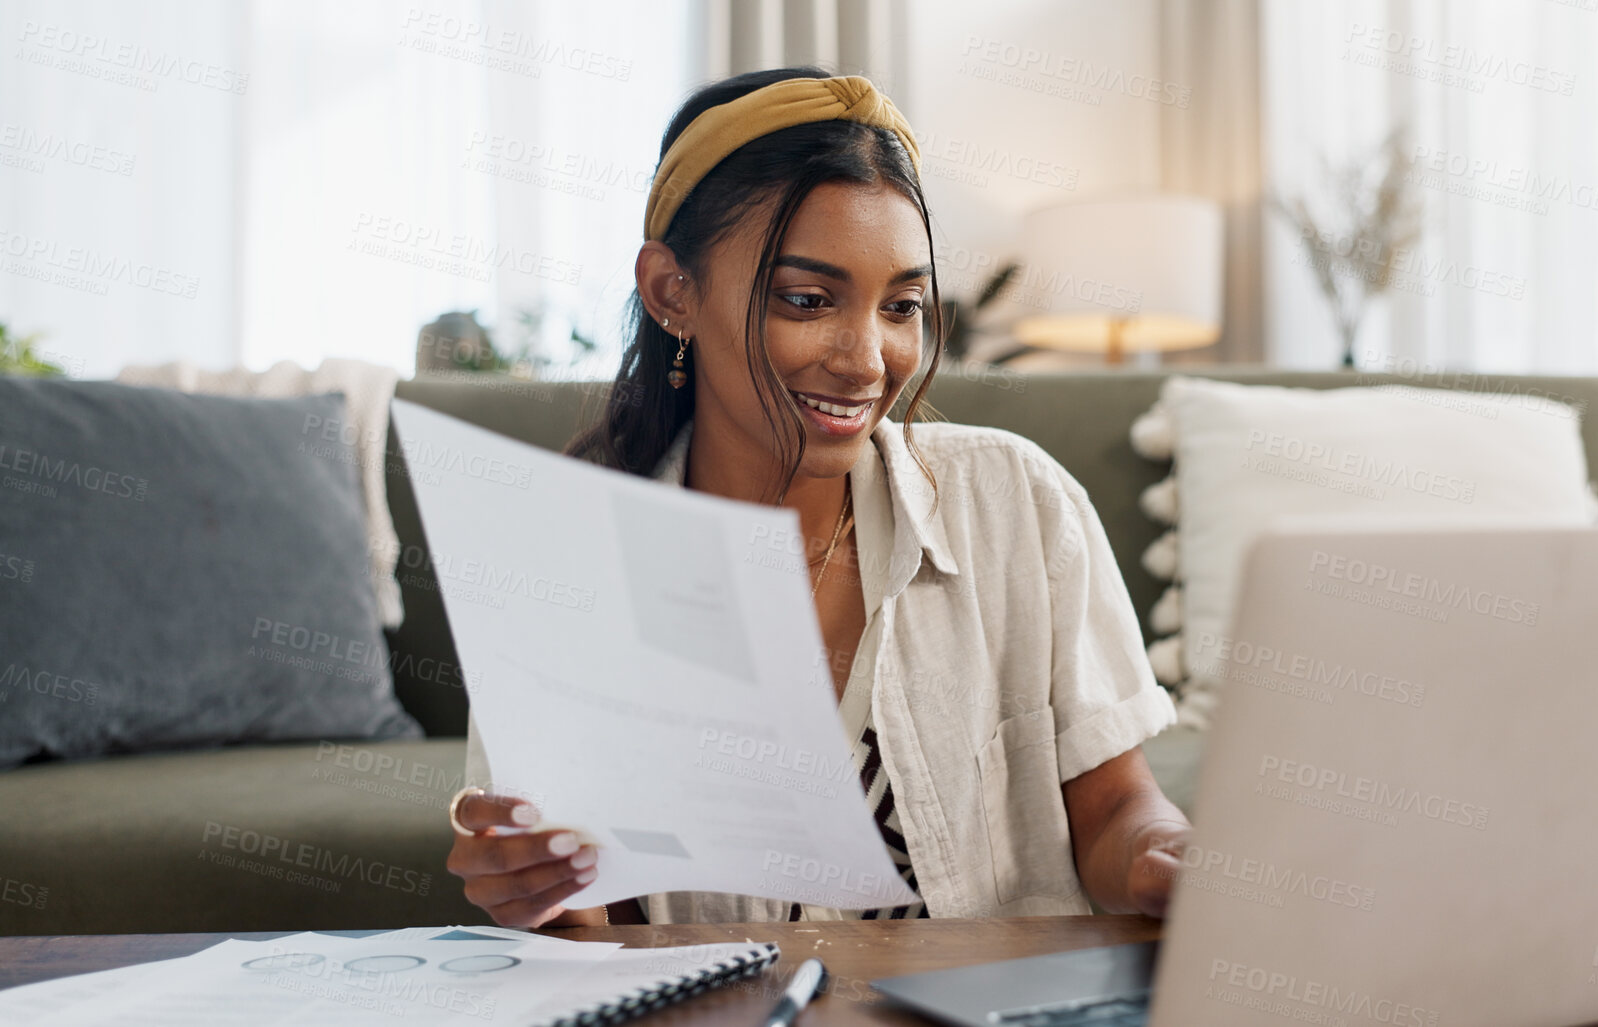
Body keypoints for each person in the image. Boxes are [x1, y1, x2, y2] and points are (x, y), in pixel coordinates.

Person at [444, 67, 1189, 928]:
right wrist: (535, 894)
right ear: (670, 291)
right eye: (808, 299)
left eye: (902, 305)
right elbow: (585, 924)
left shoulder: (1016, 501)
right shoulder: (565, 563)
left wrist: (1158, 851)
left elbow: (1111, 810)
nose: (867, 359)